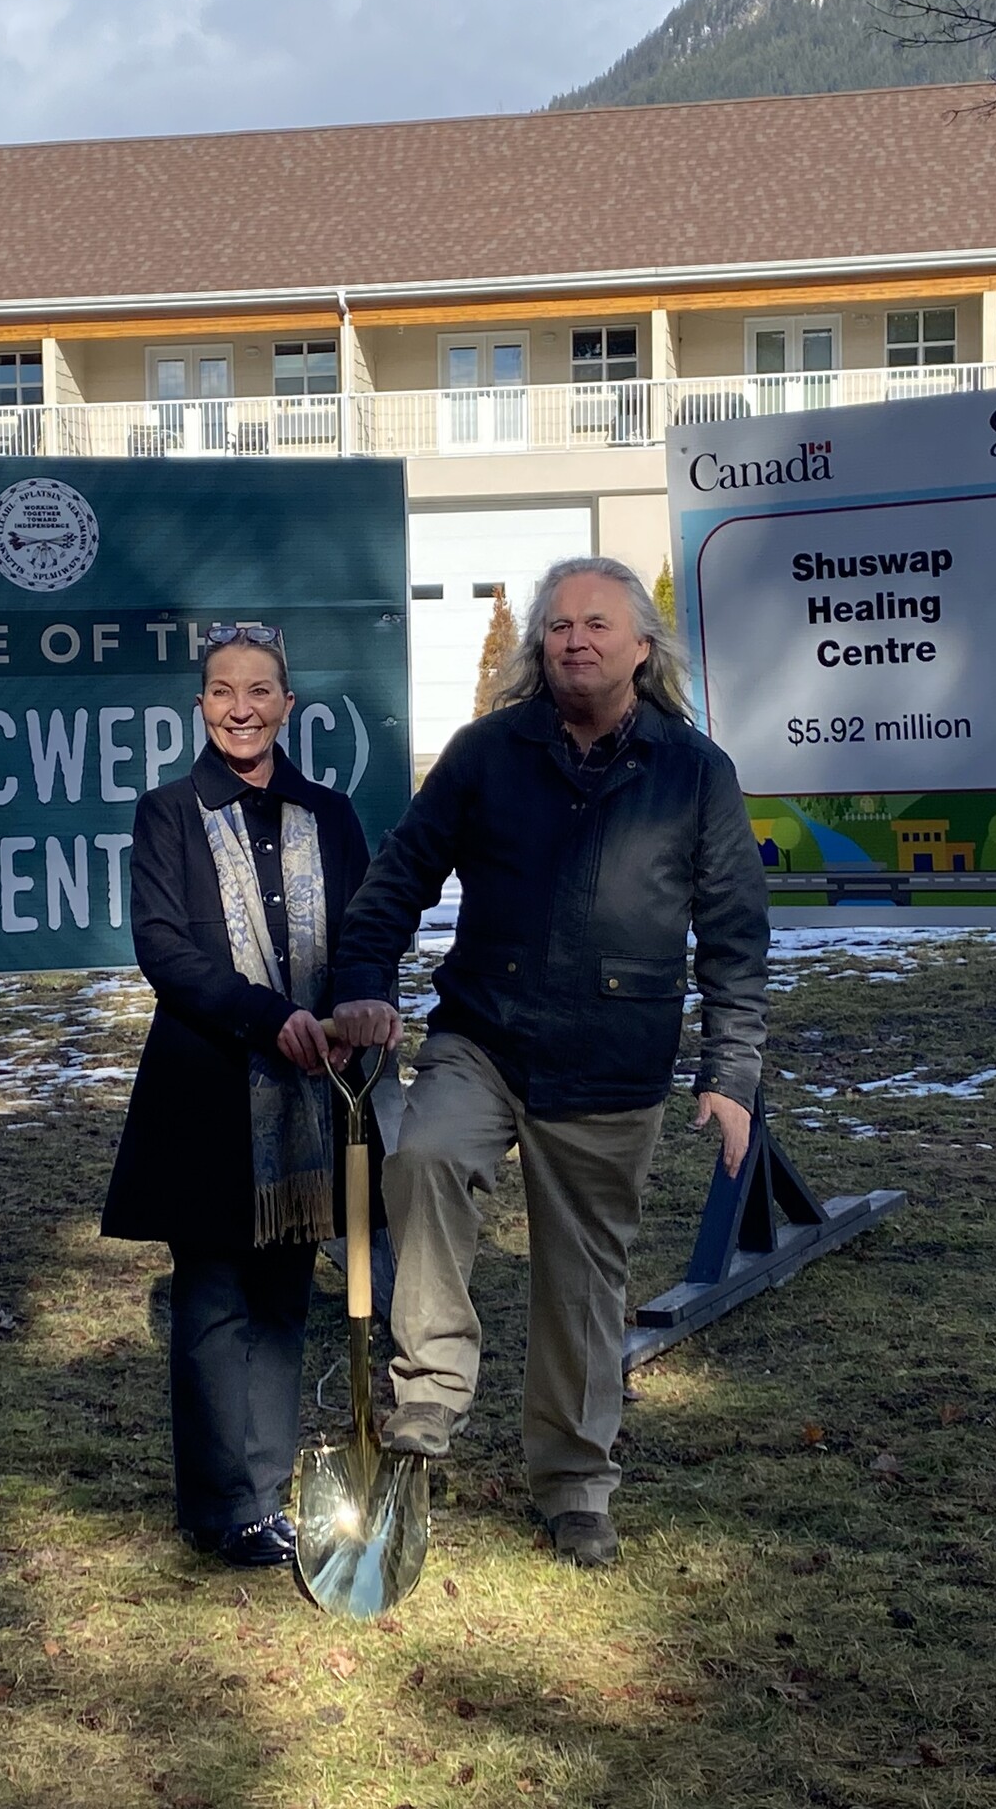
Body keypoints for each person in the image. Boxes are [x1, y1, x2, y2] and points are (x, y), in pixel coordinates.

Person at [329, 557, 769, 1569]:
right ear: (539, 645)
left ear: (641, 647)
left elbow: (736, 935)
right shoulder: (487, 753)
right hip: (483, 1036)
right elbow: (400, 875)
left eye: (597, 625)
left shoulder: (693, 771)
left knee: (581, 1282)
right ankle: (428, 1402)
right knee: (425, 1158)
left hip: (613, 1061)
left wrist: (730, 1072)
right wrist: (362, 978)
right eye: (558, 624)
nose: (575, 640)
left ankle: (574, 1485)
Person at [104, 625, 375, 1567]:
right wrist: (268, 1017)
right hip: (207, 1093)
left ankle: (263, 1494)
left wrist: (355, 1005)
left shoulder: (332, 816)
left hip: (313, 1096)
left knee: (285, 1297)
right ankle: (217, 1505)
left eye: (260, 690)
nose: (241, 707)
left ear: (289, 705)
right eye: (222, 691)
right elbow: (165, 951)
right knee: (214, 1301)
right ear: (201, 706)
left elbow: (364, 932)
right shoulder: (167, 814)